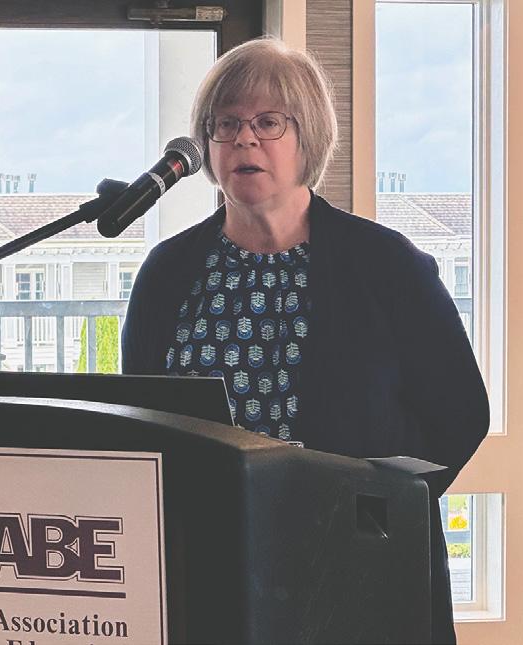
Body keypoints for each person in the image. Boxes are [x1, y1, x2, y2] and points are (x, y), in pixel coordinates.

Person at [122, 37, 489, 644]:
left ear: (307, 136)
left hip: (357, 571)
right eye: (226, 124)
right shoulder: (167, 273)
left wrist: (376, 513)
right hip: (207, 567)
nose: (244, 140)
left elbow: (461, 415)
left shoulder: (387, 265)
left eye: (268, 122)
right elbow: (141, 426)